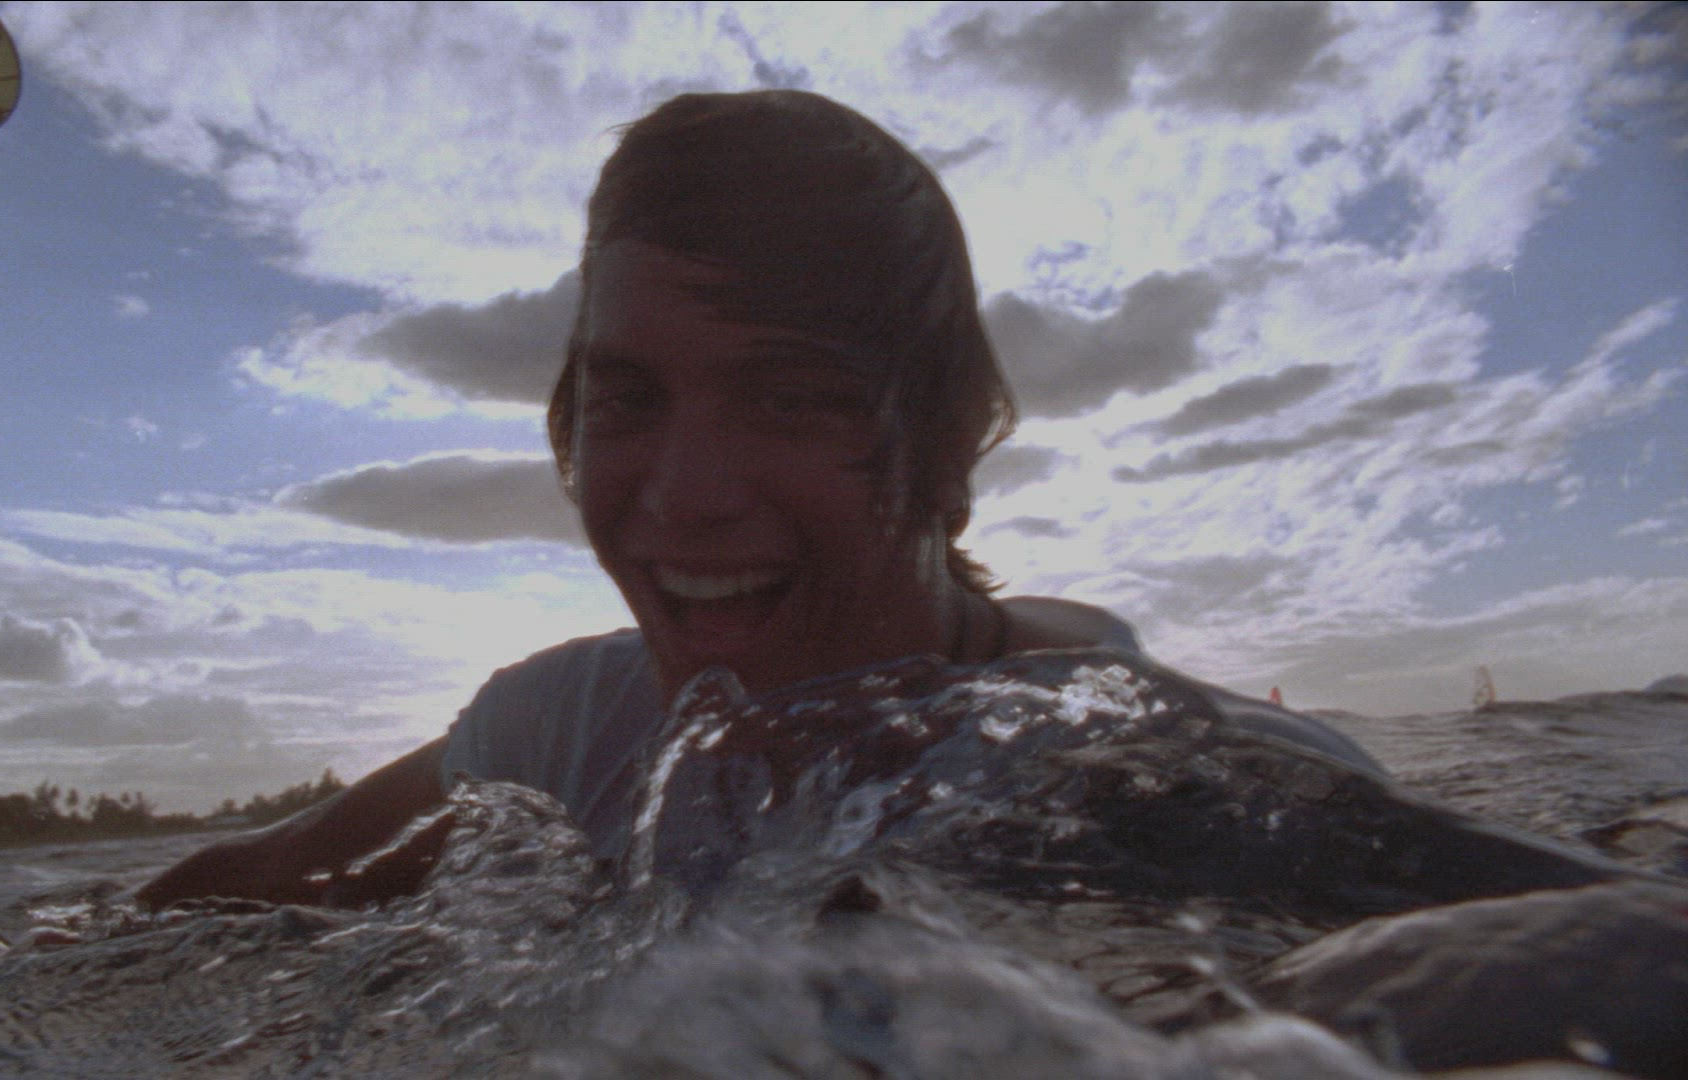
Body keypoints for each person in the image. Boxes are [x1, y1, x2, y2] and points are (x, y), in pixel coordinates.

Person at [137, 90, 1376, 909]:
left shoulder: (1201, 793)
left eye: (789, 400)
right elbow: (263, 881)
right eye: (628, 401)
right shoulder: (564, 732)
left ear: (949, 443)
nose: (682, 499)